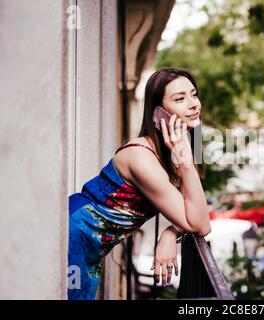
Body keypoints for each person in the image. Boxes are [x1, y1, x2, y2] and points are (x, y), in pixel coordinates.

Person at [68, 67, 211, 300]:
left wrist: (171, 232)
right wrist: (185, 164)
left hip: (92, 247)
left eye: (194, 94)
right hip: (74, 234)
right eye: (180, 98)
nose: (194, 104)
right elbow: (201, 225)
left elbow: (197, 212)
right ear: (158, 112)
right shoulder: (141, 157)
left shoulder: (179, 149)